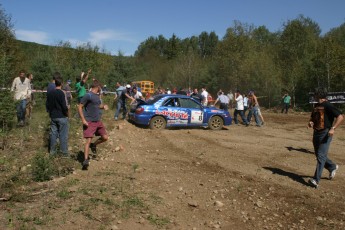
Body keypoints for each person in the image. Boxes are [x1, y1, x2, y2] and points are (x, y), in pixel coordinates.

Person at [307, 87, 344, 188]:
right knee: (318, 154)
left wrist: (333, 128)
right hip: (316, 132)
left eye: (315, 94)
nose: (314, 96)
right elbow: (313, 118)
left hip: (325, 133)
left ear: (318, 95)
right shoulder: (316, 106)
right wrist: (311, 122)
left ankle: (315, 180)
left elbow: (340, 117)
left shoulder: (328, 105)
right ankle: (332, 167)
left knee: (321, 155)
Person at [78, 81, 109, 169]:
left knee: (105, 137)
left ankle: (94, 145)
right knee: (88, 141)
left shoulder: (96, 96)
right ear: (98, 86)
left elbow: (97, 106)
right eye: (100, 87)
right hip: (89, 121)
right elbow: (80, 106)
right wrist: (83, 120)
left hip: (98, 121)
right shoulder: (88, 95)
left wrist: (103, 106)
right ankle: (85, 161)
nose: (101, 89)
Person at [46, 73, 69, 156]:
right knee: (63, 135)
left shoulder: (50, 93)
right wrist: (66, 113)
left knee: (53, 134)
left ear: (55, 83)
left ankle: (52, 152)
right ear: (61, 84)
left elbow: (48, 105)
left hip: (53, 116)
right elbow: (64, 105)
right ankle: (64, 152)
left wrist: (50, 112)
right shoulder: (61, 93)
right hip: (62, 116)